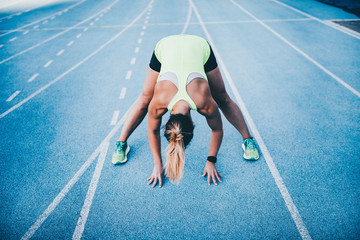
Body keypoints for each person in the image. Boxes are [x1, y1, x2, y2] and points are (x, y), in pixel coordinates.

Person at [112, 34, 259, 187]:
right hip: (166, 48)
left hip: (198, 47)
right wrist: (158, 164)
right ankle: (121, 142)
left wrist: (211, 160)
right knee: (144, 99)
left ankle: (248, 139)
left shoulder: (204, 100)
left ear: (193, 123)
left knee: (222, 98)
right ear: (192, 123)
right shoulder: (159, 101)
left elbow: (217, 131)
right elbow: (153, 131)